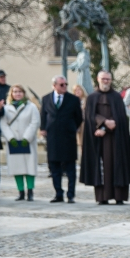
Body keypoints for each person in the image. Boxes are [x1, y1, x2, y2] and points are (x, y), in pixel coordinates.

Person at [81, 70, 130, 205]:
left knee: (117, 165)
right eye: (103, 79)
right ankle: (102, 197)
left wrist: (106, 127)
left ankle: (119, 196)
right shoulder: (92, 97)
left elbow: (120, 117)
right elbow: (89, 116)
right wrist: (103, 123)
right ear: (98, 80)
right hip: (98, 139)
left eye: (108, 79)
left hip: (116, 138)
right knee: (101, 168)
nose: (106, 81)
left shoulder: (116, 97)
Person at [40, 75, 83, 204]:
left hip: (68, 137)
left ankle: (70, 195)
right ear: (54, 86)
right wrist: (43, 128)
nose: (64, 87)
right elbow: (43, 115)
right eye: (61, 85)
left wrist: (71, 127)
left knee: (70, 168)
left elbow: (79, 118)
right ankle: (58, 193)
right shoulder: (46, 98)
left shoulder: (73, 99)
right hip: (53, 138)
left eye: (66, 84)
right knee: (55, 167)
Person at [0, 84, 40, 201]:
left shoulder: (31, 107)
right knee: (17, 167)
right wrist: (10, 137)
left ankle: (30, 192)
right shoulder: (6, 108)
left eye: (20, 92)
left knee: (29, 167)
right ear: (11, 94)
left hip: (27, 141)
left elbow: (35, 122)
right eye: (15, 92)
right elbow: (3, 124)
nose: (17, 94)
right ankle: (21, 192)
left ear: (24, 93)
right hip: (13, 141)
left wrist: (27, 137)